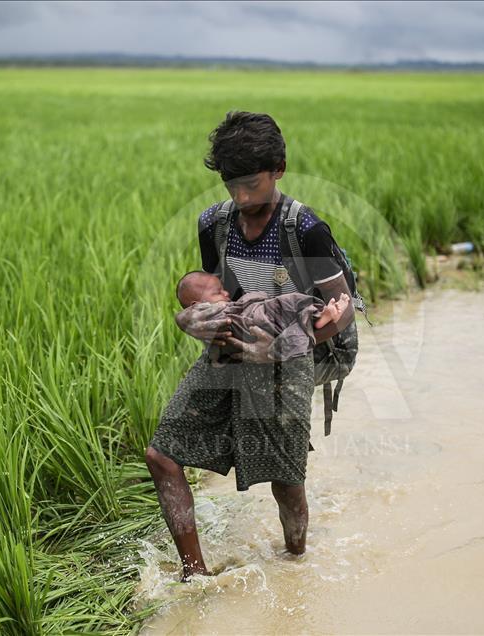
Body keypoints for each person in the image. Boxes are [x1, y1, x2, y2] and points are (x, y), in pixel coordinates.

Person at [144, 111, 356, 581]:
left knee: (284, 478)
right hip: (237, 343)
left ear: (279, 168)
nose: (240, 198)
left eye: (251, 185)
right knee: (162, 455)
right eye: (230, 185)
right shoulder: (213, 224)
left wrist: (277, 351)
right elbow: (217, 293)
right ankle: (194, 575)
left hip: (297, 348)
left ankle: (296, 561)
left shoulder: (306, 229)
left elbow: (340, 311)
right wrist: (200, 323)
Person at [176, 270, 350, 366]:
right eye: (217, 292)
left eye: (222, 289)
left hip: (256, 318)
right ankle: (318, 316)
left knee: (287, 306)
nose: (226, 293)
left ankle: (318, 315)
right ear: (196, 305)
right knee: (286, 312)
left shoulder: (301, 225)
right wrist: (184, 319)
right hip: (252, 323)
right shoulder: (206, 316)